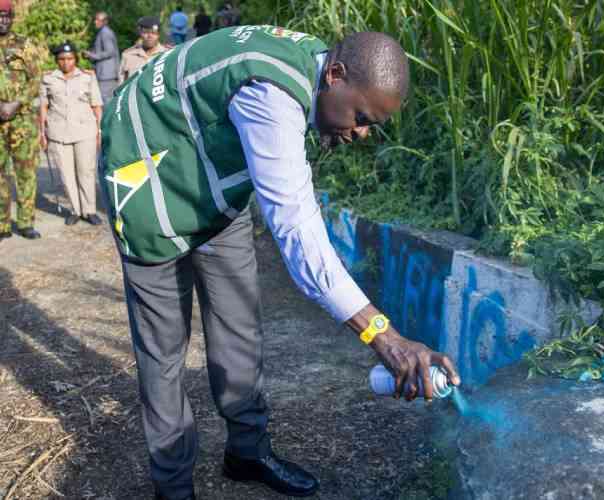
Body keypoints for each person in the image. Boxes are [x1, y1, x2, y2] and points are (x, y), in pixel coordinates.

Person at [100, 26, 461, 500]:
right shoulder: (270, 96)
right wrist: (385, 339)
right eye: (360, 117)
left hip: (211, 185)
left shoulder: (318, 69)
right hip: (146, 177)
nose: (361, 133)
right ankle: (172, 486)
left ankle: (247, 452)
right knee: (164, 351)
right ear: (335, 74)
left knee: (239, 327)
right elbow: (297, 232)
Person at [39, 42, 103, 226]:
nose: (66, 63)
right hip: (58, 132)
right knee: (66, 174)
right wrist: (42, 133)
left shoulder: (88, 77)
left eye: (70, 59)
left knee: (86, 171)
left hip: (85, 131)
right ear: (57, 61)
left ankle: (89, 210)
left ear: (75, 59)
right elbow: (43, 106)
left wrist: (100, 130)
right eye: (62, 59)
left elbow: (96, 105)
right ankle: (75, 210)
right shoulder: (48, 79)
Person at [0, 0, 42, 242]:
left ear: (12, 17)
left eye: (7, 15)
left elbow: (36, 78)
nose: (3, 19)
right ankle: (2, 224)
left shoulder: (24, 44)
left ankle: (26, 223)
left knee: (26, 173)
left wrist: (16, 103)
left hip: (23, 121)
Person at [118, 16, 168, 84]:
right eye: (146, 32)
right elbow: (121, 86)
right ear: (140, 33)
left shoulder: (167, 54)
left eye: (153, 33)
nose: (149, 36)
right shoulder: (128, 55)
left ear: (158, 34)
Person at [85, 11, 119, 105]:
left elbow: (110, 51)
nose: (95, 22)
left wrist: (92, 55)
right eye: (95, 19)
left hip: (107, 75)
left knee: (106, 101)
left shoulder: (105, 33)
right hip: (106, 74)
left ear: (105, 21)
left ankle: (108, 120)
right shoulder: (102, 32)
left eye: (98, 20)